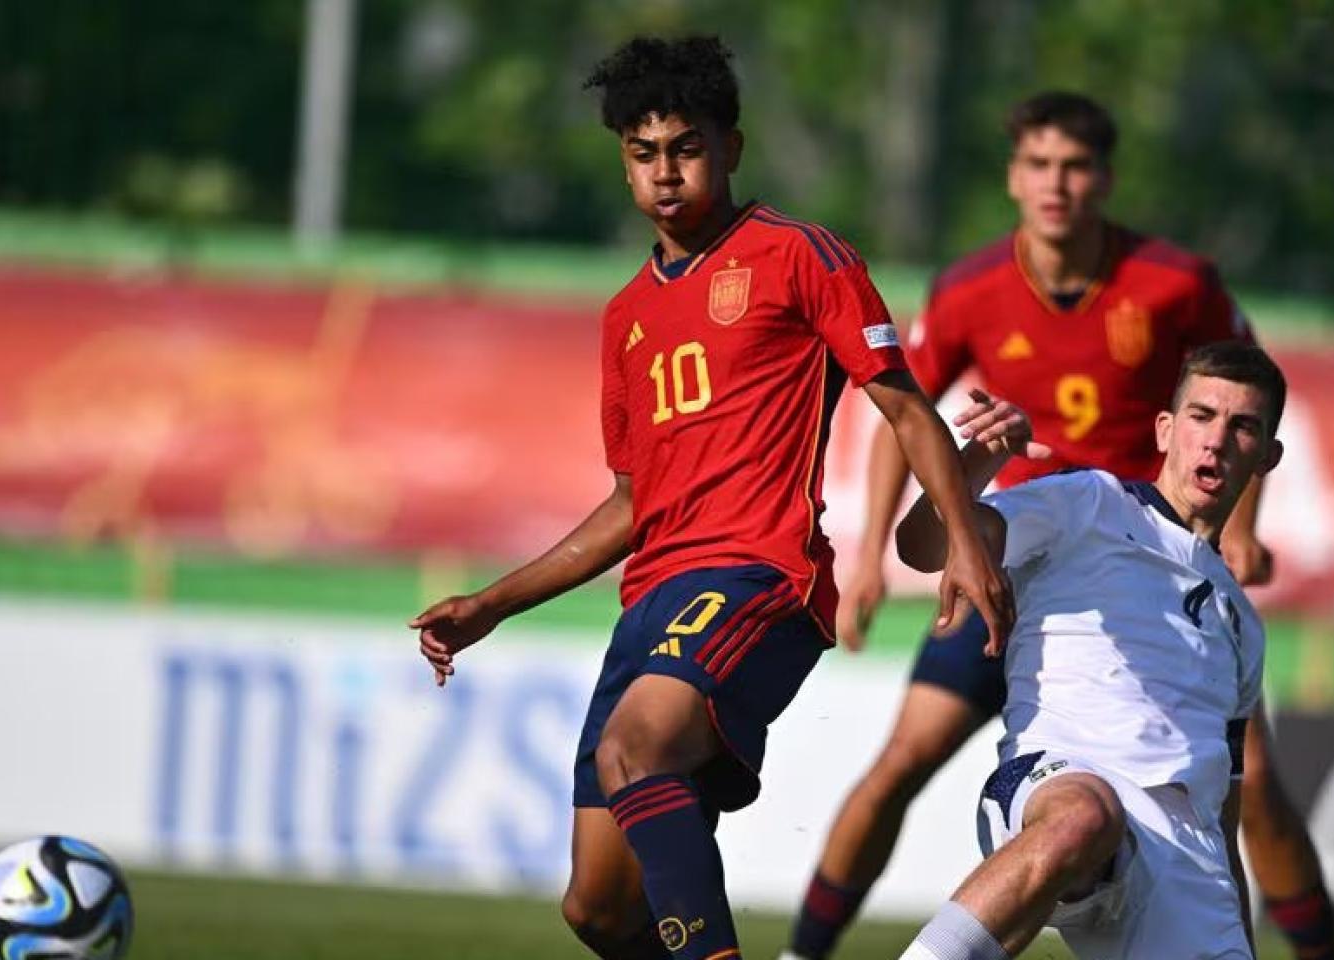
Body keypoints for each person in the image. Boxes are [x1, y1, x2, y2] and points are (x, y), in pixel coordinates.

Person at [412, 35, 1014, 960]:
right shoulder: (625, 318)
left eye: (685, 148)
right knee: (598, 910)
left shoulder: (799, 257)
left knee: (636, 747)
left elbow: (907, 410)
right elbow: (631, 503)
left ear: (731, 148)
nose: (665, 174)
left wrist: (966, 546)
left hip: (759, 575)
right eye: (643, 154)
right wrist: (493, 603)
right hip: (652, 600)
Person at [784, 92, 1334, 960]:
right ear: (1014, 177)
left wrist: (1239, 535)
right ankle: (801, 952)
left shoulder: (1173, 285)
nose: (1057, 185)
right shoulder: (972, 291)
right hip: (1022, 553)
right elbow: (907, 411)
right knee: (904, 761)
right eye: (1040, 165)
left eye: (1076, 167)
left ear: (1105, 181)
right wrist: (865, 556)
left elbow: (1245, 402)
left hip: (1161, 581)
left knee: (1247, 782)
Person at [896, 340, 1285, 960]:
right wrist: (980, 459)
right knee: (1086, 818)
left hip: (1181, 861)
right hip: (1061, 784)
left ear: (1268, 456)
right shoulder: (1089, 505)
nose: (1215, 440)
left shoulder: (1241, 625)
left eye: (1242, 427)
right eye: (1201, 416)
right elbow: (922, 546)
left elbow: (1223, 821)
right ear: (1165, 429)